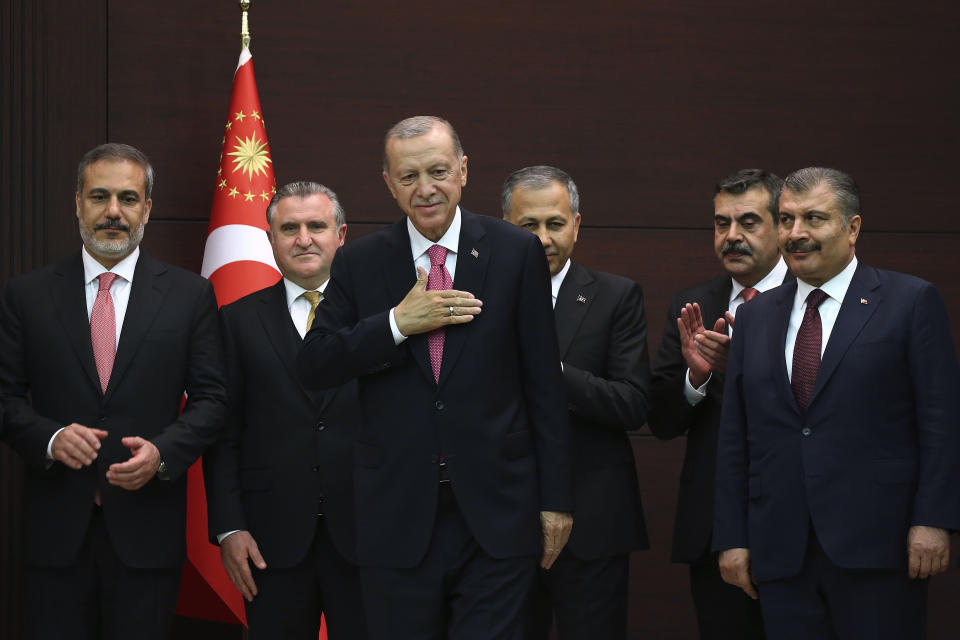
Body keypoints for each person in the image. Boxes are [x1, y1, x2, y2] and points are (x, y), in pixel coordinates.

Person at [296, 116, 573, 639]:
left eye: (439, 171)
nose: (426, 189)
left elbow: (544, 386)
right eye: (408, 177)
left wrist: (556, 500)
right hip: (396, 517)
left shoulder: (515, 253)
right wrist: (397, 324)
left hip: (496, 514)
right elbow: (316, 364)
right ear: (388, 183)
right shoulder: (358, 262)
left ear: (464, 171)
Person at [713, 167, 960, 639]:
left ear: (852, 228)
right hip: (781, 549)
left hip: (880, 545)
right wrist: (732, 538)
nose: (796, 234)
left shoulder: (910, 302)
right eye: (785, 220)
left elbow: (942, 423)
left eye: (814, 219)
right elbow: (735, 438)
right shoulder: (755, 315)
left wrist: (934, 519)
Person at [0, 143, 226, 639]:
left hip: (148, 531)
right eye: (99, 196)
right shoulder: (27, 295)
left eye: (128, 198)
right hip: (54, 534)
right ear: (77, 203)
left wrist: (164, 452)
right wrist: (51, 437)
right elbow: (5, 398)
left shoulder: (190, 296)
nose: (113, 212)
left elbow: (213, 399)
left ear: (147, 208)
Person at [203, 181, 366, 638]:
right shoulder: (235, 321)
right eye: (289, 228)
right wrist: (229, 528)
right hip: (269, 542)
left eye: (317, 225)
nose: (304, 238)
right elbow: (223, 432)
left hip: (366, 535)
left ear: (341, 234)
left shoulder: (378, 319)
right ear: (270, 237)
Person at [501, 165, 650, 639]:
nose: (543, 238)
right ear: (505, 226)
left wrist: (554, 372)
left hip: (593, 520)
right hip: (501, 520)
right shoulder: (473, 300)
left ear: (578, 224)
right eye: (528, 225)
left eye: (555, 224)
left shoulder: (615, 296)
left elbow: (631, 404)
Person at [648, 169, 789, 639]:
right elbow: (662, 420)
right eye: (721, 224)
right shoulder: (694, 304)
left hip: (802, 521)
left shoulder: (810, 299)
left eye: (748, 222)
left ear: (780, 225)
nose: (732, 237)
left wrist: (742, 370)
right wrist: (696, 377)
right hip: (713, 528)